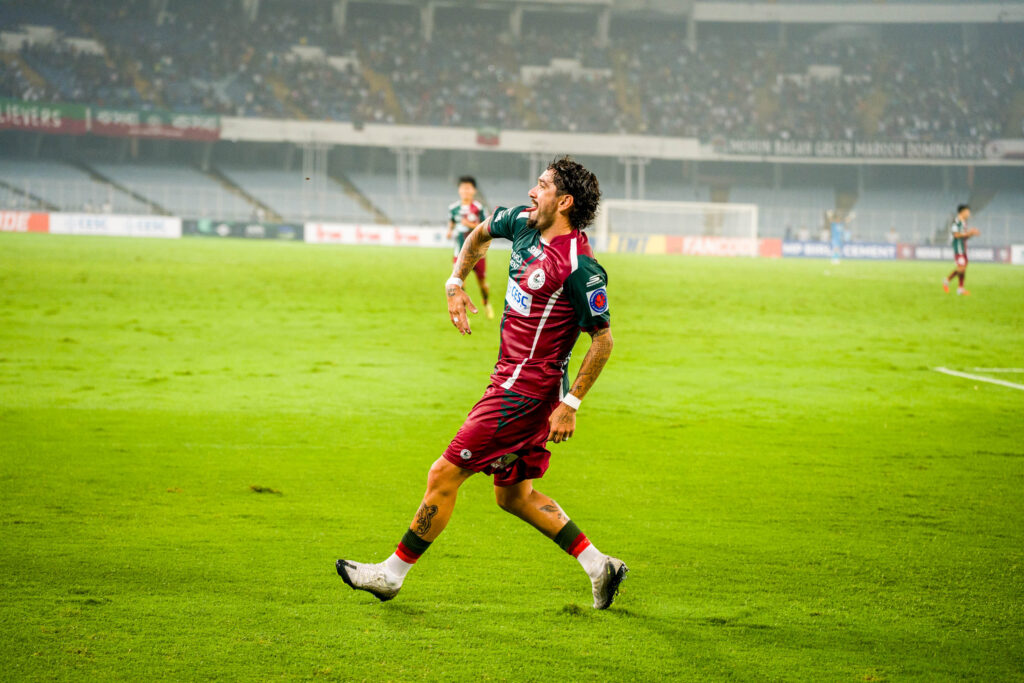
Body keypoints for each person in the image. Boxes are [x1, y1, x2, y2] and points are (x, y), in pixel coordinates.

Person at [337, 156, 627, 609]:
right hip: (512, 380)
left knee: (444, 473)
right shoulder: (523, 223)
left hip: (526, 392)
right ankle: (599, 565)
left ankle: (391, 575)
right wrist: (455, 280)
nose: (533, 192)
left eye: (543, 185)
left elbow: (603, 341)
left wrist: (571, 403)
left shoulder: (578, 267)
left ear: (565, 201)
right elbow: (478, 235)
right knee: (513, 496)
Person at [445, 176, 493, 319]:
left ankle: (486, 302)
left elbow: (486, 227)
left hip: (477, 253)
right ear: (459, 190)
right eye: (463, 188)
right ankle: (463, 314)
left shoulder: (478, 208)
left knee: (482, 283)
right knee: (458, 283)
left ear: (473, 190)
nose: (465, 191)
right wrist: (449, 231)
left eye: (468, 188)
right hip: (459, 253)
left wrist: (469, 225)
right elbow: (452, 222)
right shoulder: (453, 208)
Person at [943, 204, 979, 295]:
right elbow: (956, 235)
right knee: (961, 268)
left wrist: (971, 234)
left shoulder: (963, 222)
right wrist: (969, 233)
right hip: (958, 248)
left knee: (963, 267)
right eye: (967, 212)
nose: (968, 214)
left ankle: (960, 288)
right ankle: (947, 281)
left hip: (963, 247)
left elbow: (964, 236)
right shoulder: (956, 222)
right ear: (962, 212)